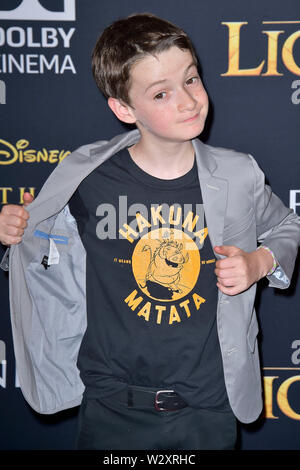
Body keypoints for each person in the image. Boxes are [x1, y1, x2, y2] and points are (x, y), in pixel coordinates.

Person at [0, 13, 299, 451]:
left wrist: (261, 261)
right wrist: (13, 228)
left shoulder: (238, 174)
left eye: (192, 80)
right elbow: (38, 244)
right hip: (108, 403)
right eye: (162, 93)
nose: (188, 101)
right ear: (124, 109)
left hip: (208, 404)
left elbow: (288, 225)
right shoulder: (87, 174)